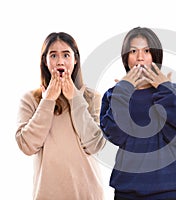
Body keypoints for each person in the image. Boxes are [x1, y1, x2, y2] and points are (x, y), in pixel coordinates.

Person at [100, 27, 176, 200]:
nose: (140, 57)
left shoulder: (172, 90)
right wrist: (122, 92)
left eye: (147, 51)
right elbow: (116, 135)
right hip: (127, 187)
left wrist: (165, 90)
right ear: (126, 57)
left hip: (168, 187)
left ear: (155, 56)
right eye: (133, 51)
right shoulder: (115, 94)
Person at [15, 32, 106, 200]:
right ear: (45, 61)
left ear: (75, 59)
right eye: (53, 55)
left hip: (88, 194)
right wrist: (48, 100)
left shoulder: (93, 98)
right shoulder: (30, 99)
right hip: (47, 194)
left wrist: (75, 98)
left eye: (66, 55)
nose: (60, 61)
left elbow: (95, 145)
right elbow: (27, 145)